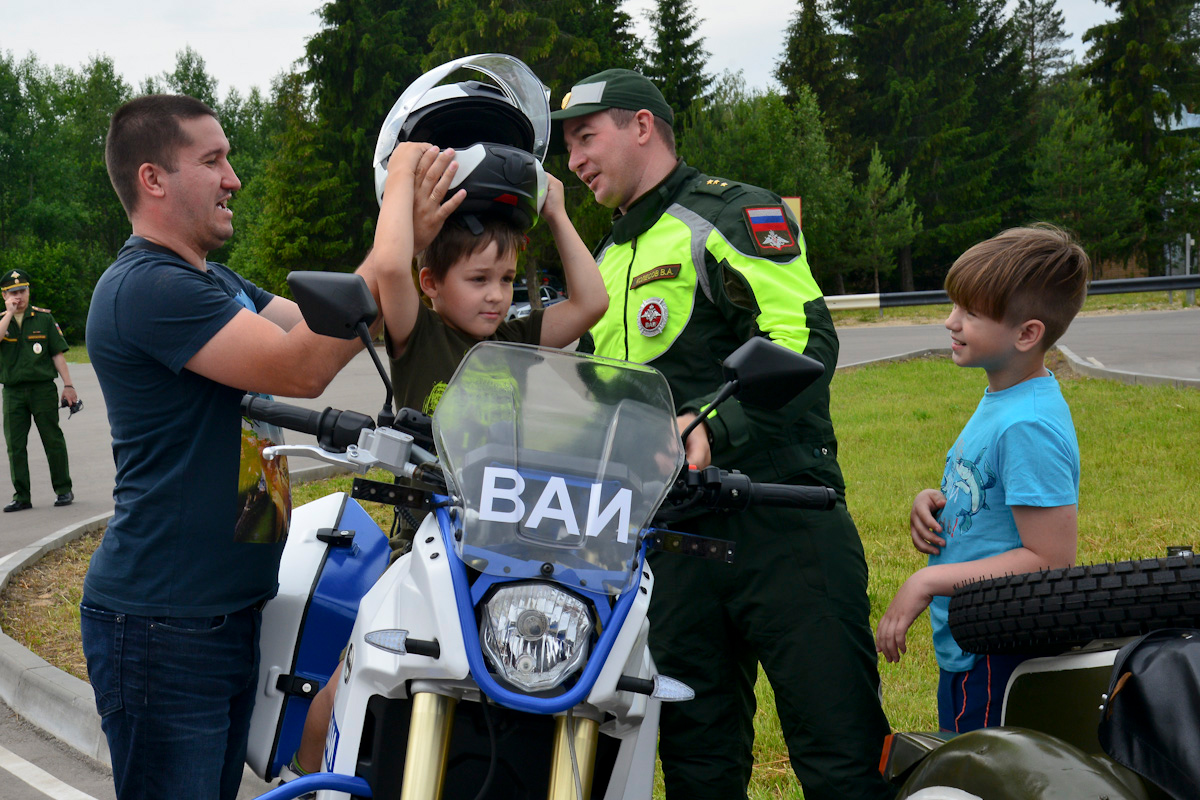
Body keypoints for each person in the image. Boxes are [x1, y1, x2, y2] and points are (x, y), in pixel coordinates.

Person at [554, 69, 894, 800]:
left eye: (586, 137)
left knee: (840, 754)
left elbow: (803, 336)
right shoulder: (606, 259)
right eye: (569, 147)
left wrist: (711, 422)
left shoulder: (734, 213)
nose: (575, 160)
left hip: (780, 520)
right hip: (672, 545)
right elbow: (598, 393)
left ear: (642, 125)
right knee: (696, 763)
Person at [80, 94, 422, 800]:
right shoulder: (148, 288)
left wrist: (427, 237)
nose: (234, 177)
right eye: (213, 160)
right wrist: (396, 203)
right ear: (153, 179)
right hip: (166, 627)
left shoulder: (216, 281)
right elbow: (302, 363)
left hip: (227, 614)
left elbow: (344, 325)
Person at [280, 141, 607, 782]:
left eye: (507, 280)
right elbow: (393, 272)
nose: (495, 296)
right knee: (357, 669)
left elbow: (589, 302)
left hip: (509, 546)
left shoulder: (514, 340)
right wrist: (401, 177)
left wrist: (558, 212)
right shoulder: (417, 337)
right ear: (434, 285)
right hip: (424, 546)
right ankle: (314, 776)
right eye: (478, 279)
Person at [875, 224, 1089, 733]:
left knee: (985, 774)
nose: (951, 322)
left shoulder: (1028, 423)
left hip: (999, 650)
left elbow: (1049, 559)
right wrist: (936, 499)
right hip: (973, 644)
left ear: (1027, 334)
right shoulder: (1004, 397)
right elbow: (989, 488)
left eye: (970, 312)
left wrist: (927, 580)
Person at [0, 269, 77, 512]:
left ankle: (63, 490)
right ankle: (22, 495)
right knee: (15, 445)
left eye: (22, 291)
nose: (19, 296)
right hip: (13, 392)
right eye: (13, 293)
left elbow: (57, 354)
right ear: (4, 295)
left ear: (29, 291)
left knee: (52, 440)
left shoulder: (43, 319)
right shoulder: (3, 320)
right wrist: (9, 314)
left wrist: (68, 385)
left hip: (42, 389)